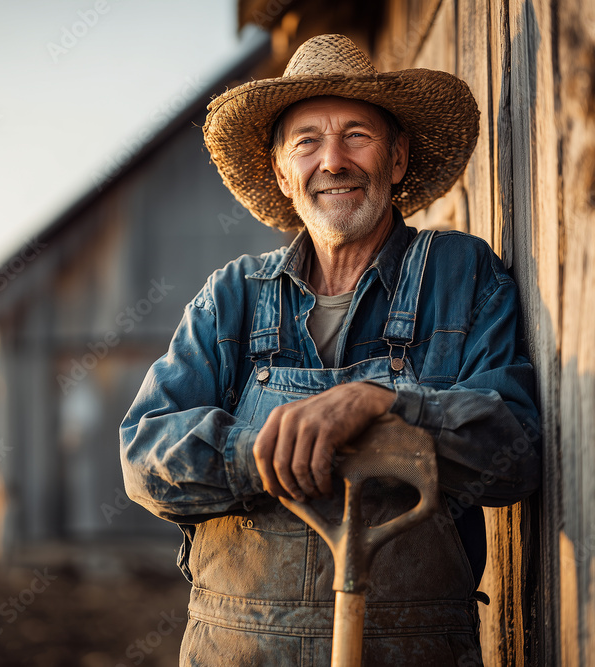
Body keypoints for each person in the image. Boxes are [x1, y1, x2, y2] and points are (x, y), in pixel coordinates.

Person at [119, 34, 540, 666]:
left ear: (397, 159)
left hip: (410, 651)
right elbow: (145, 454)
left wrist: (381, 405)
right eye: (307, 141)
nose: (333, 160)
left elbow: (514, 450)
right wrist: (265, 451)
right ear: (283, 174)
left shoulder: (462, 276)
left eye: (357, 136)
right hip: (237, 651)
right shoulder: (234, 294)